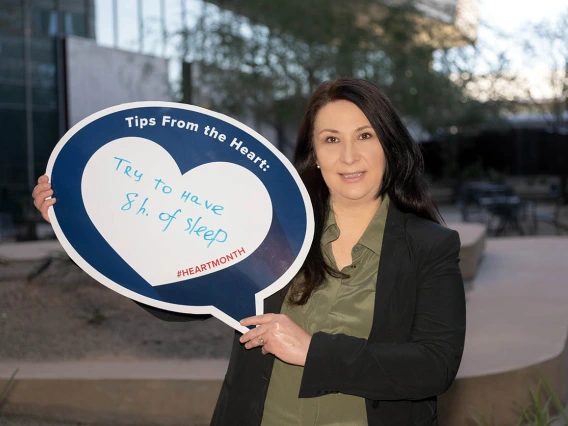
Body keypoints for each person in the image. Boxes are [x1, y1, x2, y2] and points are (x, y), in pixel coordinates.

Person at [32, 77, 466, 426]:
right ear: (313, 153)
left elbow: (434, 366)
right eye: (331, 139)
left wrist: (313, 351)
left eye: (365, 135)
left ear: (388, 145)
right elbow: (182, 301)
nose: (349, 156)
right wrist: (81, 228)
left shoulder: (431, 247)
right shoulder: (272, 227)